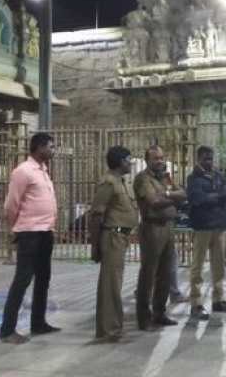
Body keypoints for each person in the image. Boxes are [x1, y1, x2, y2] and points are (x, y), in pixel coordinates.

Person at [0, 133, 59, 344]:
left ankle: (38, 322)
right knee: (22, 280)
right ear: (39, 147)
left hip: (45, 232)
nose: (53, 150)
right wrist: (16, 228)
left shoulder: (43, 171)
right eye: (51, 147)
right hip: (29, 233)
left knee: (43, 278)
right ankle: (7, 331)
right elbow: (11, 204)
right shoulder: (23, 171)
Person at [89, 146, 139, 342]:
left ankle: (110, 328)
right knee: (111, 285)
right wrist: (95, 245)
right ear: (119, 161)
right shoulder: (108, 182)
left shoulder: (121, 181)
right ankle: (110, 330)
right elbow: (96, 215)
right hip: (112, 237)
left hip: (121, 237)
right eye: (128, 159)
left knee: (113, 283)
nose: (130, 163)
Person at [133, 146, 185, 330]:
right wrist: (173, 197)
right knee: (149, 274)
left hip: (168, 228)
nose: (160, 161)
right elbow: (153, 202)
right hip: (152, 228)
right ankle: (143, 317)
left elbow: (183, 194)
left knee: (165, 274)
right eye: (156, 158)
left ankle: (159, 313)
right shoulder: (142, 179)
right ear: (147, 160)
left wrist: (168, 194)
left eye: (162, 158)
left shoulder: (165, 177)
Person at [186, 146, 226, 320]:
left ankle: (218, 300)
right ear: (198, 159)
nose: (209, 162)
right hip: (202, 227)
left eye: (211, 158)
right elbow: (198, 199)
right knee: (198, 267)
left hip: (219, 226)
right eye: (206, 158)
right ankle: (196, 304)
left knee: (219, 266)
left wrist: (215, 196)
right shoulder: (193, 178)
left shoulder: (218, 175)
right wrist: (219, 196)